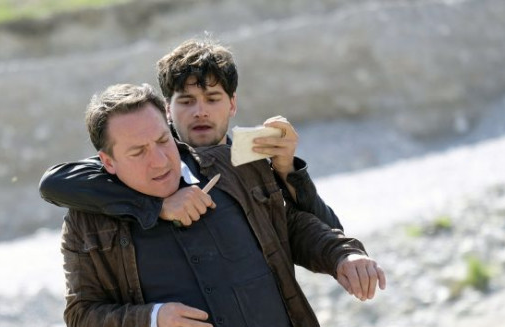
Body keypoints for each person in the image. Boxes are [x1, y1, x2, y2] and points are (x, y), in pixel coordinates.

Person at [52, 82, 385, 327]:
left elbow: (290, 225)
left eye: (162, 141)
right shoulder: (86, 223)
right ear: (107, 161)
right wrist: (152, 321)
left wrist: (342, 255)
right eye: (137, 152)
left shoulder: (230, 166)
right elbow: (82, 320)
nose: (159, 160)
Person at [40, 37, 343, 239]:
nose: (200, 112)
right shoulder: (153, 155)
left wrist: (288, 170)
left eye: (212, 99)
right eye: (186, 101)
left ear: (232, 104)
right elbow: (55, 182)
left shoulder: (250, 158)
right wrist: (157, 206)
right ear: (167, 110)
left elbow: (330, 235)